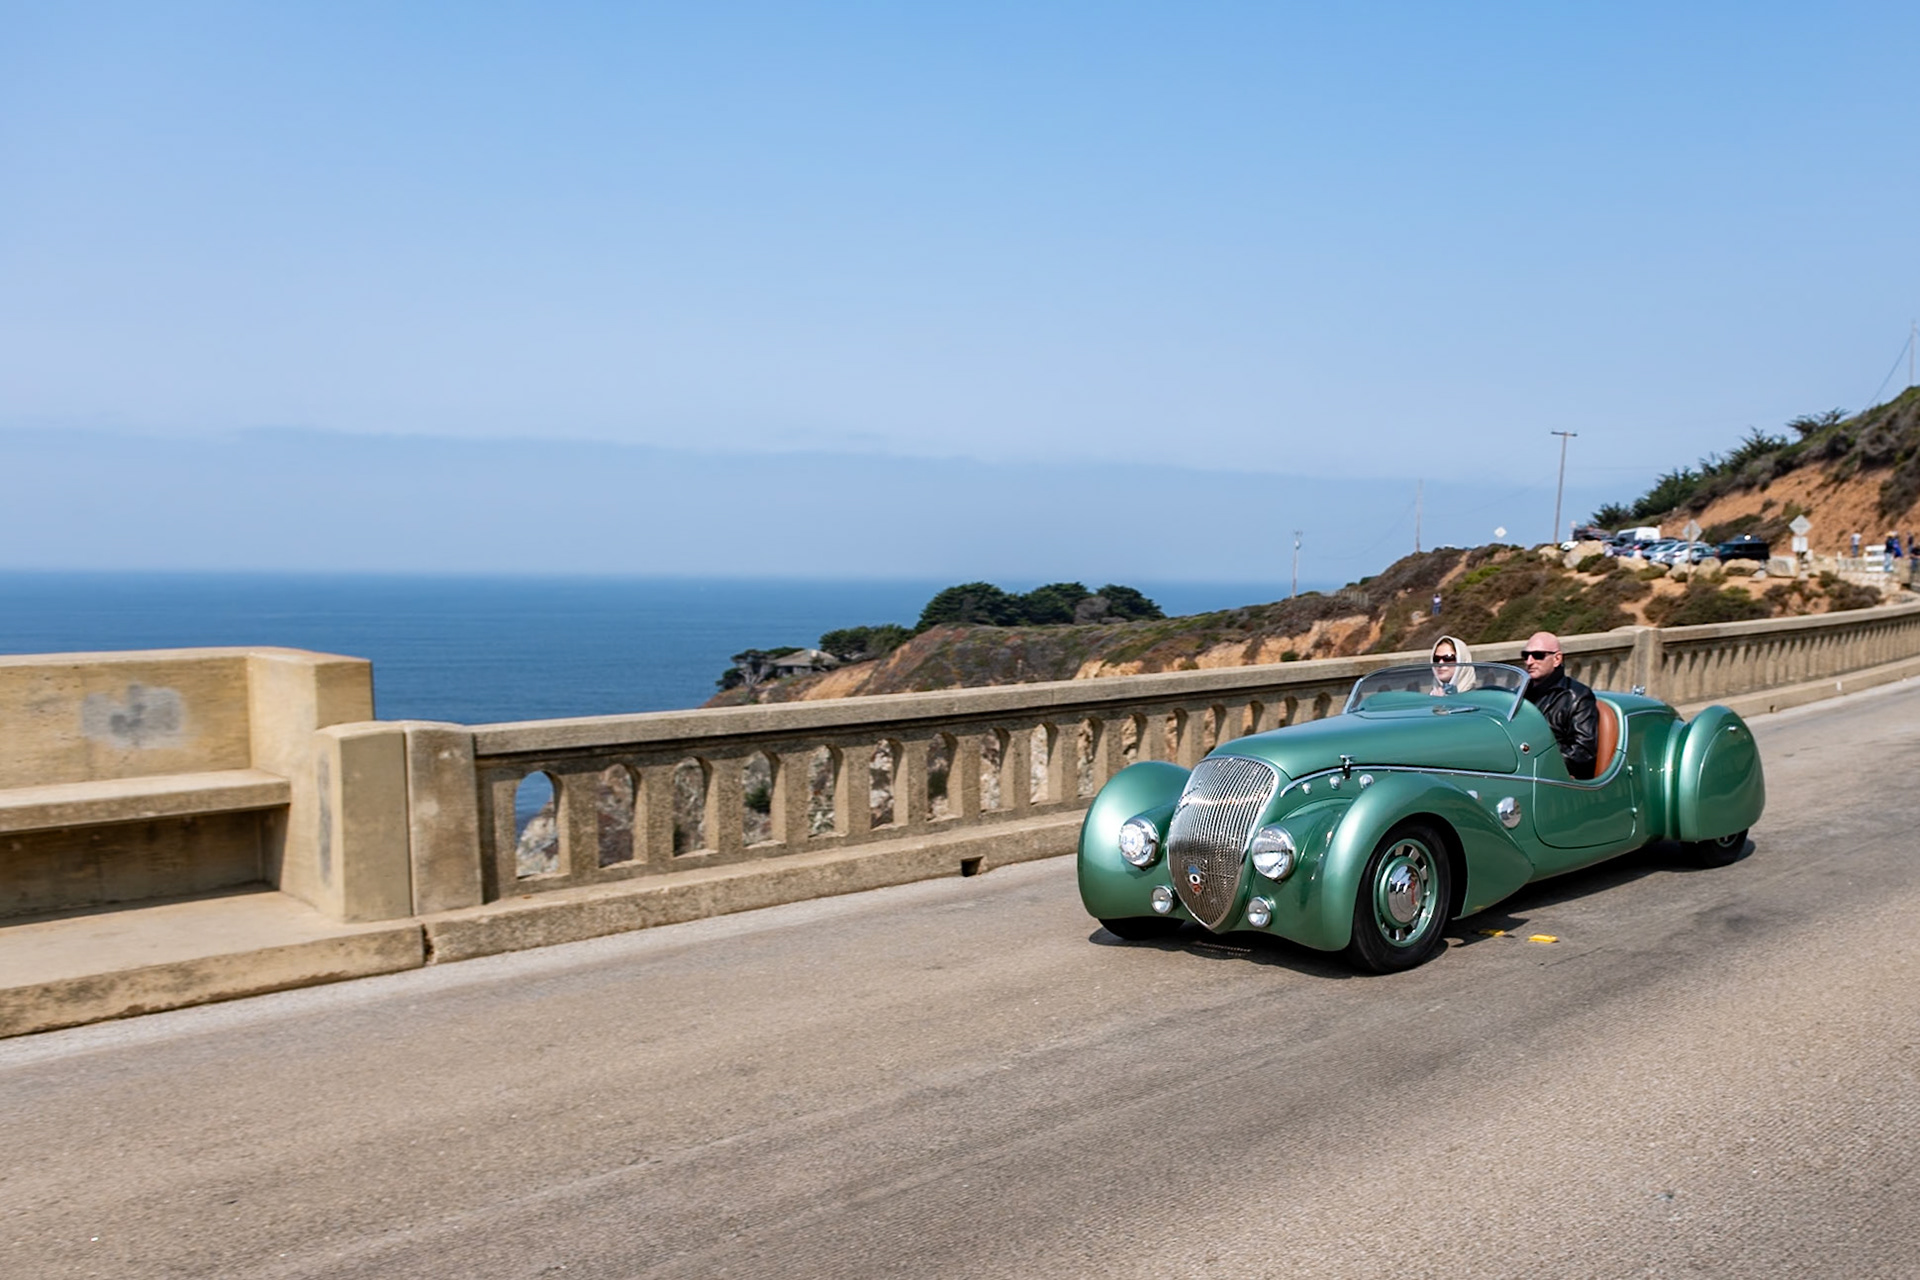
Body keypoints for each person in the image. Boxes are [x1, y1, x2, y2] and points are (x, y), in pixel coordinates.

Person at [1520, 631, 1597, 780]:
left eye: (1538, 655)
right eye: (1525, 655)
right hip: (1521, 770)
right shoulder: (1520, 693)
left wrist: (1538, 760)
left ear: (1557, 659)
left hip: (1555, 778)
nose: (1529, 661)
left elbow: (1583, 752)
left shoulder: (1577, 696)